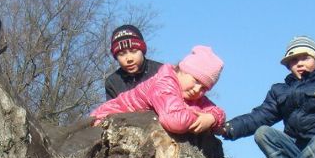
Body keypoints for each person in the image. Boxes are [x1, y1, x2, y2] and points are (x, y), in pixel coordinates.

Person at [91, 45, 226, 135]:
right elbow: (175, 121)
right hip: (104, 120)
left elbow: (216, 110)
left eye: (204, 88)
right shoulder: (165, 83)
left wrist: (211, 118)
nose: (197, 89)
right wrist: (197, 114)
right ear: (182, 70)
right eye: (195, 80)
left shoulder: (192, 94)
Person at [102, 24, 164, 99]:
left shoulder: (161, 71)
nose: (129, 59)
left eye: (133, 51)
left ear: (142, 51)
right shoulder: (112, 83)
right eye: (122, 54)